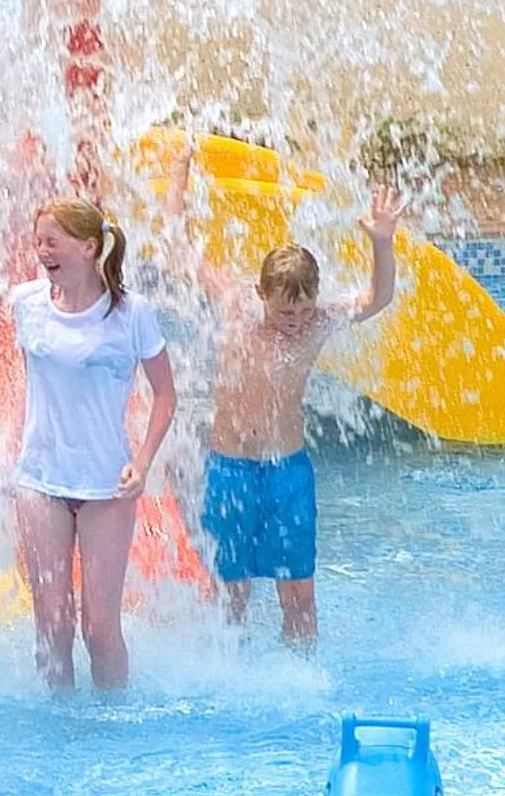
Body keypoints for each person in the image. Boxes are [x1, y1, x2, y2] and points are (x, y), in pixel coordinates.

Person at [169, 158, 403, 647]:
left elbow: (377, 298)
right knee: (230, 590)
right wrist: (179, 176)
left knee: (298, 592)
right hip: (231, 468)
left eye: (303, 308)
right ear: (261, 296)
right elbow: (178, 249)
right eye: (284, 311)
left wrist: (382, 242)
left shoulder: (319, 323)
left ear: (315, 298)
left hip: (287, 471)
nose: (296, 320)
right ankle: (227, 674)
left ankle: (301, 678)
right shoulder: (236, 306)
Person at [9, 199, 177, 691]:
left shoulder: (130, 313)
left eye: (52, 241)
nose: (43, 251)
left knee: (99, 628)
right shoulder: (27, 303)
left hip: (107, 483)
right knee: (52, 625)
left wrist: (142, 462)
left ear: (89, 247)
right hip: (40, 481)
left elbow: (165, 394)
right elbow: (38, 382)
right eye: (38, 240)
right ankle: (59, 732)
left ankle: (111, 730)